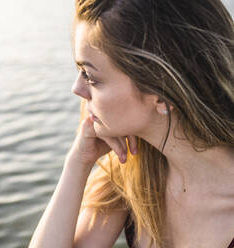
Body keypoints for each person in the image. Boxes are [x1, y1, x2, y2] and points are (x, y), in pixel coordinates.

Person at [29, 0, 234, 247]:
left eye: (91, 77)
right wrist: (77, 164)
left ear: (161, 94)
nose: (77, 89)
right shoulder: (133, 174)